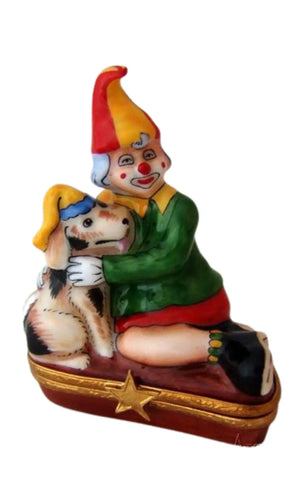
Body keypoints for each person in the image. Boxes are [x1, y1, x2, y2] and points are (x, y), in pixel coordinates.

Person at [67, 66, 274, 397]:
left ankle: (233, 348)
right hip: (134, 305)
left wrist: (106, 270)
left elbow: (166, 259)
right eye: (127, 161)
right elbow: (86, 238)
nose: (143, 167)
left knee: (131, 345)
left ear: (163, 158)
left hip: (185, 300)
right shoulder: (106, 204)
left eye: (149, 155)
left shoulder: (179, 208)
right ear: (105, 172)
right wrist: (60, 268)